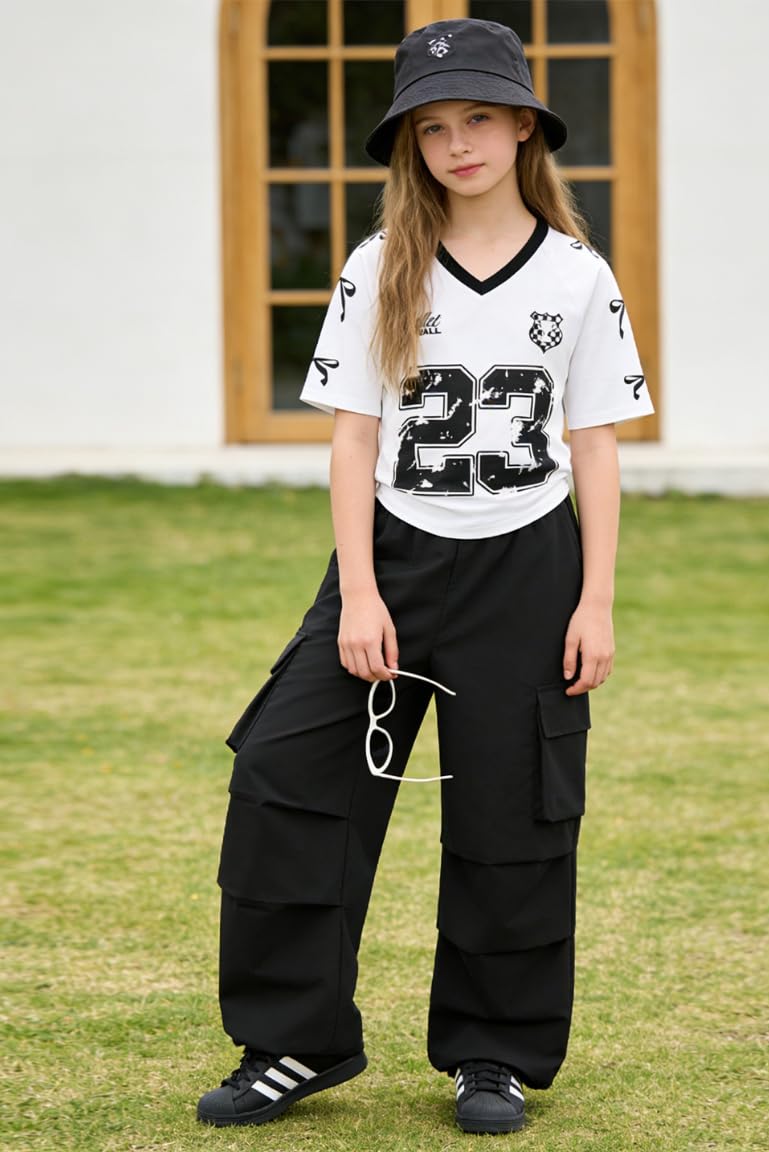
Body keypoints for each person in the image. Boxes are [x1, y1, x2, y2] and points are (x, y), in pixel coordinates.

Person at [197, 17, 654, 1136]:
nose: (459, 144)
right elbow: (353, 436)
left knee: (515, 812)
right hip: (394, 557)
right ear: (411, 143)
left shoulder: (578, 276)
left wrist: (595, 602)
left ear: (525, 128)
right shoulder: (378, 266)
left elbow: (595, 444)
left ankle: (494, 1053)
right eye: (435, 127)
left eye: (480, 119)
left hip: (529, 564)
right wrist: (359, 592)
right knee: (288, 779)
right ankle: (294, 1041)